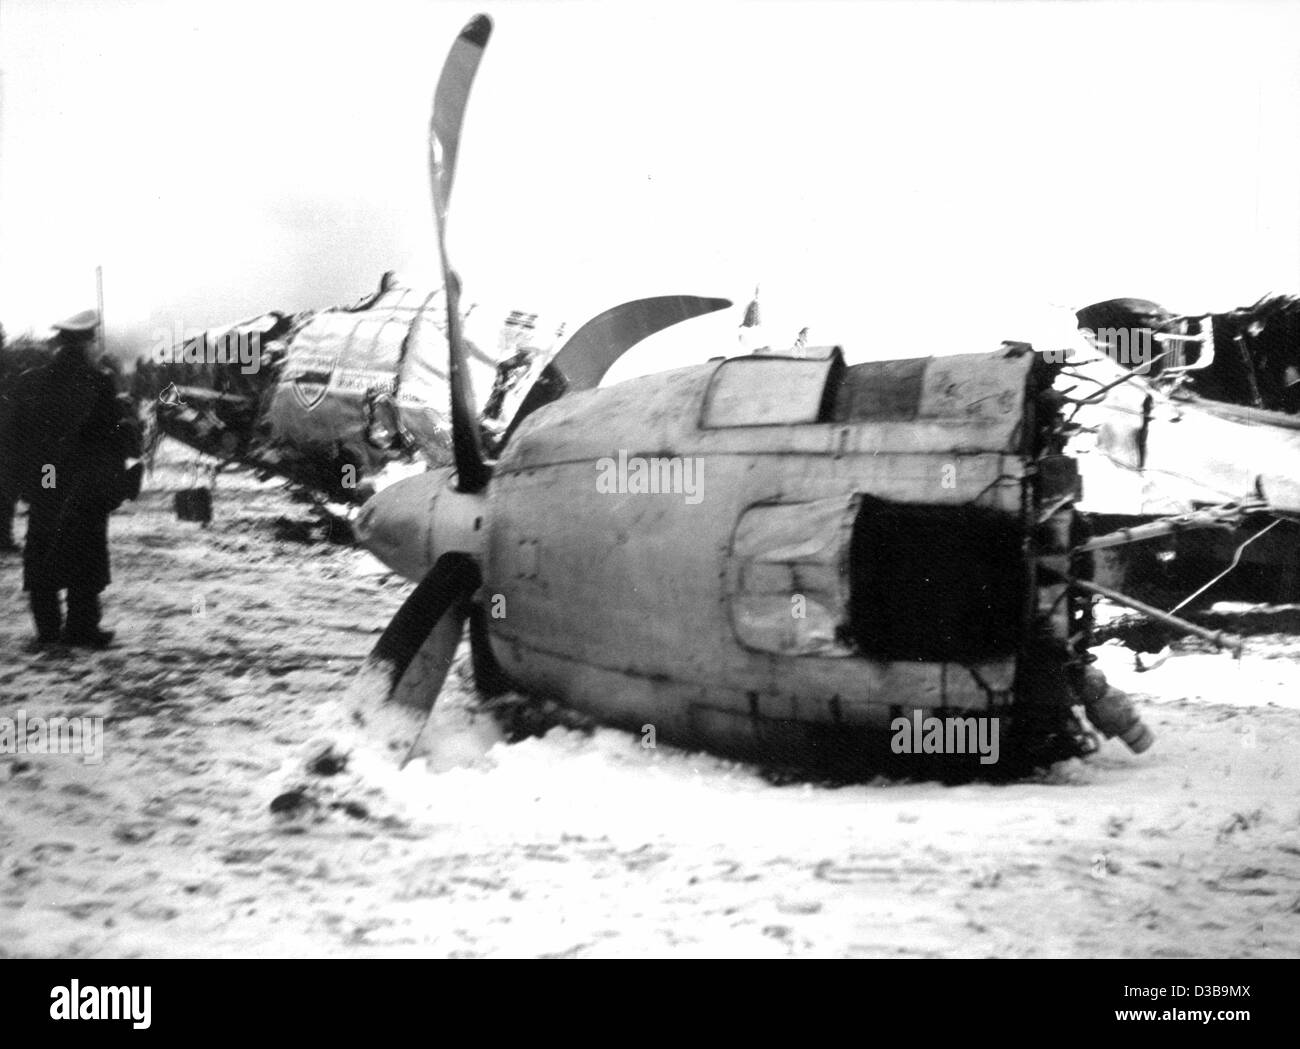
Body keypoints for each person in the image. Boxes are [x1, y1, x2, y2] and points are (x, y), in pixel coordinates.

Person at [0, 309, 133, 646]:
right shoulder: (99, 382)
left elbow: (16, 436)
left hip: (48, 477)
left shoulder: (31, 379)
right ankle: (82, 628)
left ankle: (47, 630)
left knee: (44, 546)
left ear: (59, 343)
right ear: (87, 342)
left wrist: (27, 481)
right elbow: (113, 437)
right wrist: (114, 477)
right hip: (84, 482)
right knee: (85, 551)